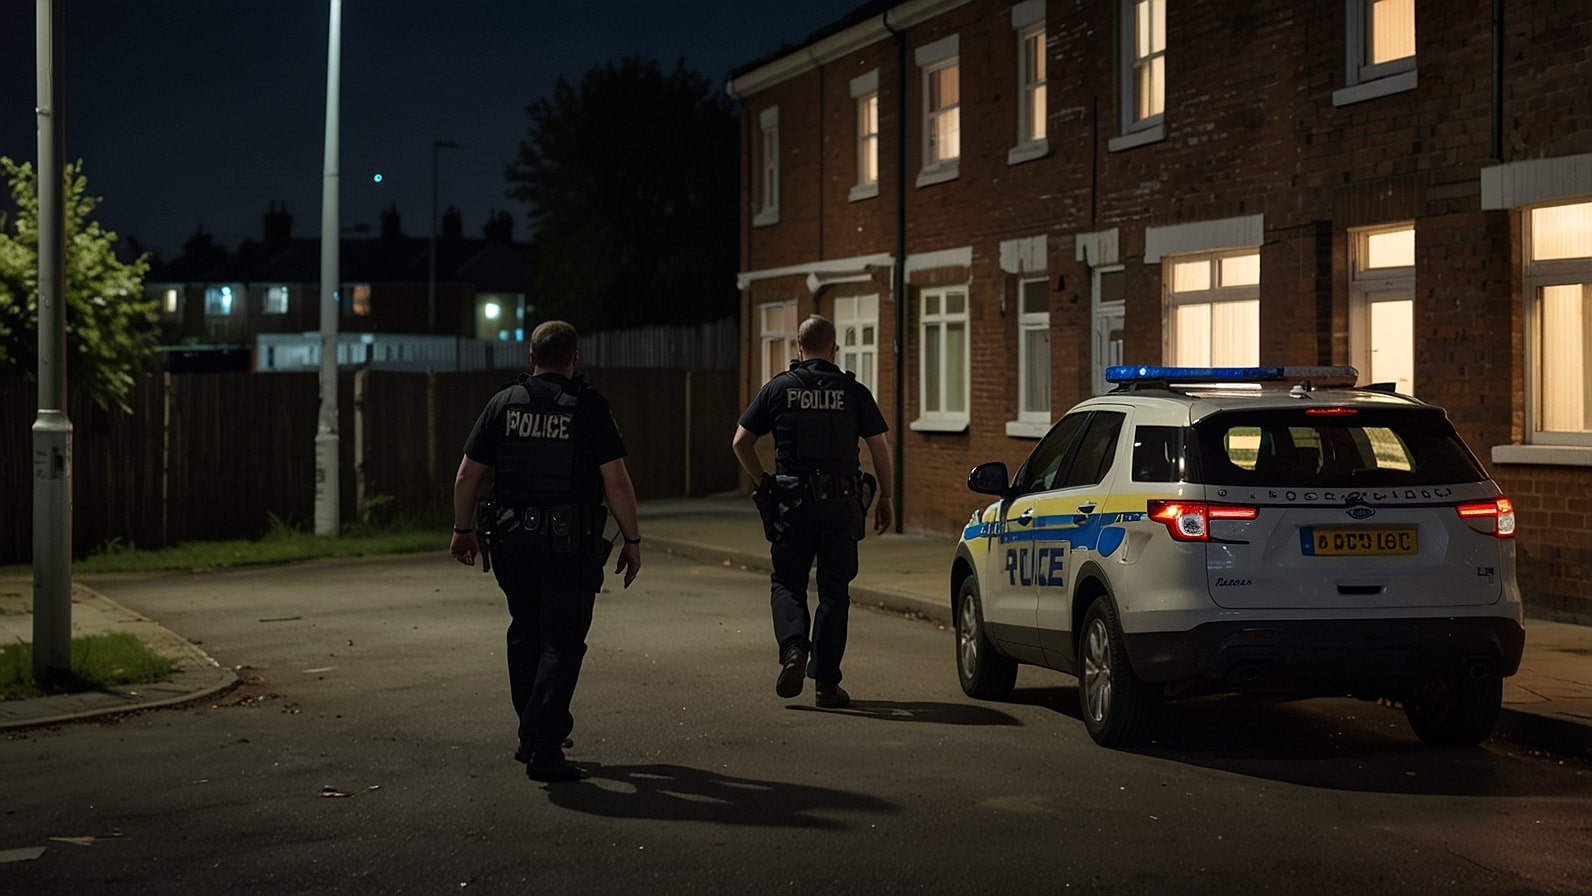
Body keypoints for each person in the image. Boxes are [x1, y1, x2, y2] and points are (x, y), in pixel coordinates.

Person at [450, 320, 642, 783]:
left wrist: (462, 529)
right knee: (562, 639)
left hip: (513, 543)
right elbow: (614, 480)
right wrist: (631, 540)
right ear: (574, 359)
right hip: (568, 544)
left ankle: (530, 733)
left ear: (531, 358)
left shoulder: (503, 404)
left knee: (525, 632)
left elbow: (466, 475)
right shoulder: (588, 406)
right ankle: (544, 745)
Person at [731, 314, 894, 709]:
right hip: (840, 505)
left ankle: (792, 649)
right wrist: (886, 497)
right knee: (834, 592)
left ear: (798, 349)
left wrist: (763, 481)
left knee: (788, 582)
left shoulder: (778, 389)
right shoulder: (853, 391)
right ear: (834, 348)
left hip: (791, 504)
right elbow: (879, 447)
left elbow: (740, 442)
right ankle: (825, 683)